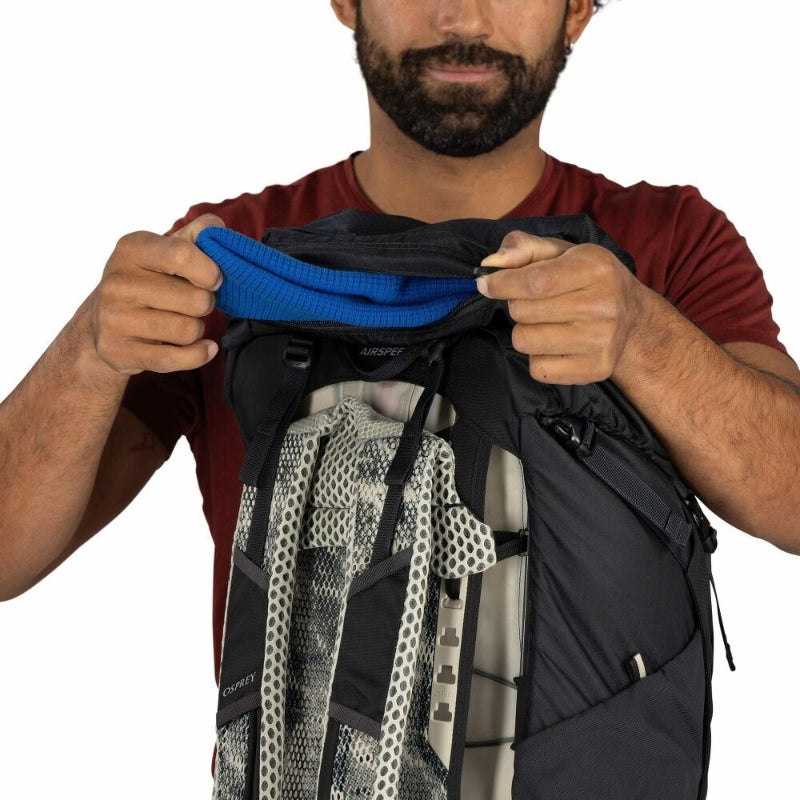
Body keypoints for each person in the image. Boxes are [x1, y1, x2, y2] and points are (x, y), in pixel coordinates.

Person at [1, 0, 798, 796]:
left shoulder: (669, 242)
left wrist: (643, 338)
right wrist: (90, 351)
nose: (463, 17)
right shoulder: (232, 261)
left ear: (578, 10)